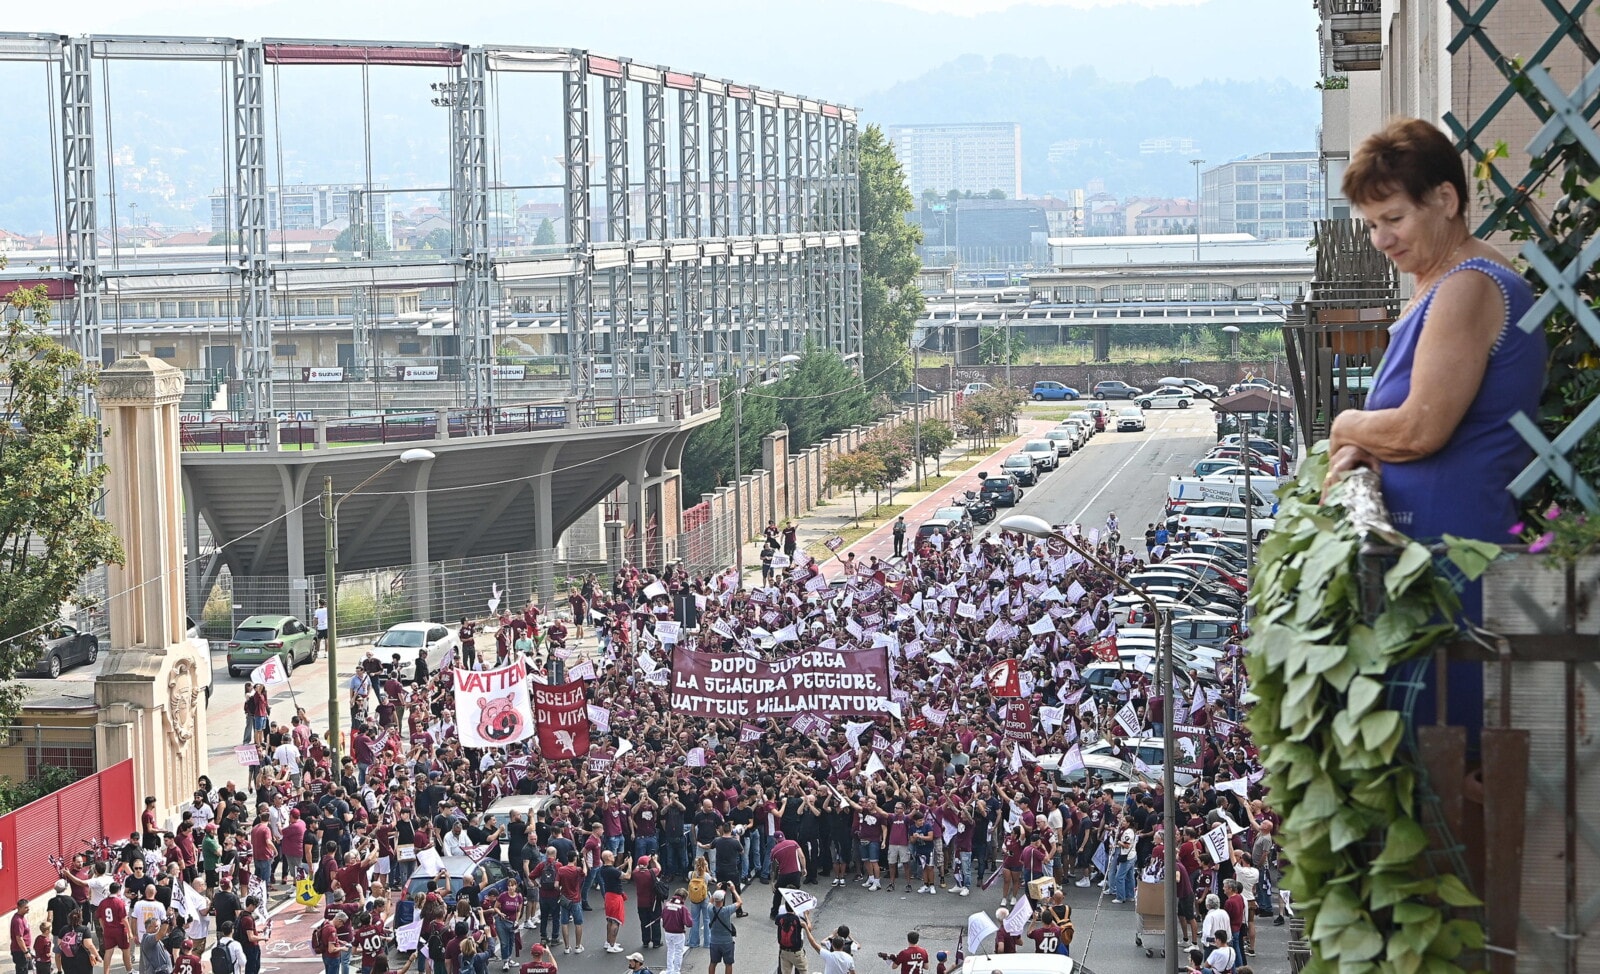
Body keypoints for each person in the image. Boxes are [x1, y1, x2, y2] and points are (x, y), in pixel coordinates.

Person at [1327, 116, 1544, 733]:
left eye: (1393, 218)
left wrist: (1346, 425)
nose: (1381, 239)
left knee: (1447, 756)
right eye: (1372, 224)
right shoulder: (1440, 284)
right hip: (1428, 560)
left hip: (1452, 565)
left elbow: (1421, 429)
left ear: (1445, 199)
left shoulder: (1467, 285)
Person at [705, 886, 740, 974]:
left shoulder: (710, 909)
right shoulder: (726, 910)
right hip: (727, 942)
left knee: (713, 963)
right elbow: (739, 902)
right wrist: (733, 890)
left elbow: (710, 902)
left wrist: (717, 890)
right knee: (728, 964)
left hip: (714, 941)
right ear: (722, 900)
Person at [659, 890, 690, 974]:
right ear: (684, 898)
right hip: (678, 933)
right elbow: (689, 923)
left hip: (667, 932)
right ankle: (676, 971)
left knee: (670, 950)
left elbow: (662, 917)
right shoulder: (682, 908)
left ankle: (669, 969)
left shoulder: (667, 905)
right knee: (678, 952)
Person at [10, 899, 29, 974]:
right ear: (19, 908)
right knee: (22, 970)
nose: (28, 909)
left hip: (22, 950)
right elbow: (19, 938)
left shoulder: (22, 917)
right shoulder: (18, 921)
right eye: (26, 907)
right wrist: (26, 952)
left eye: (28, 907)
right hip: (20, 951)